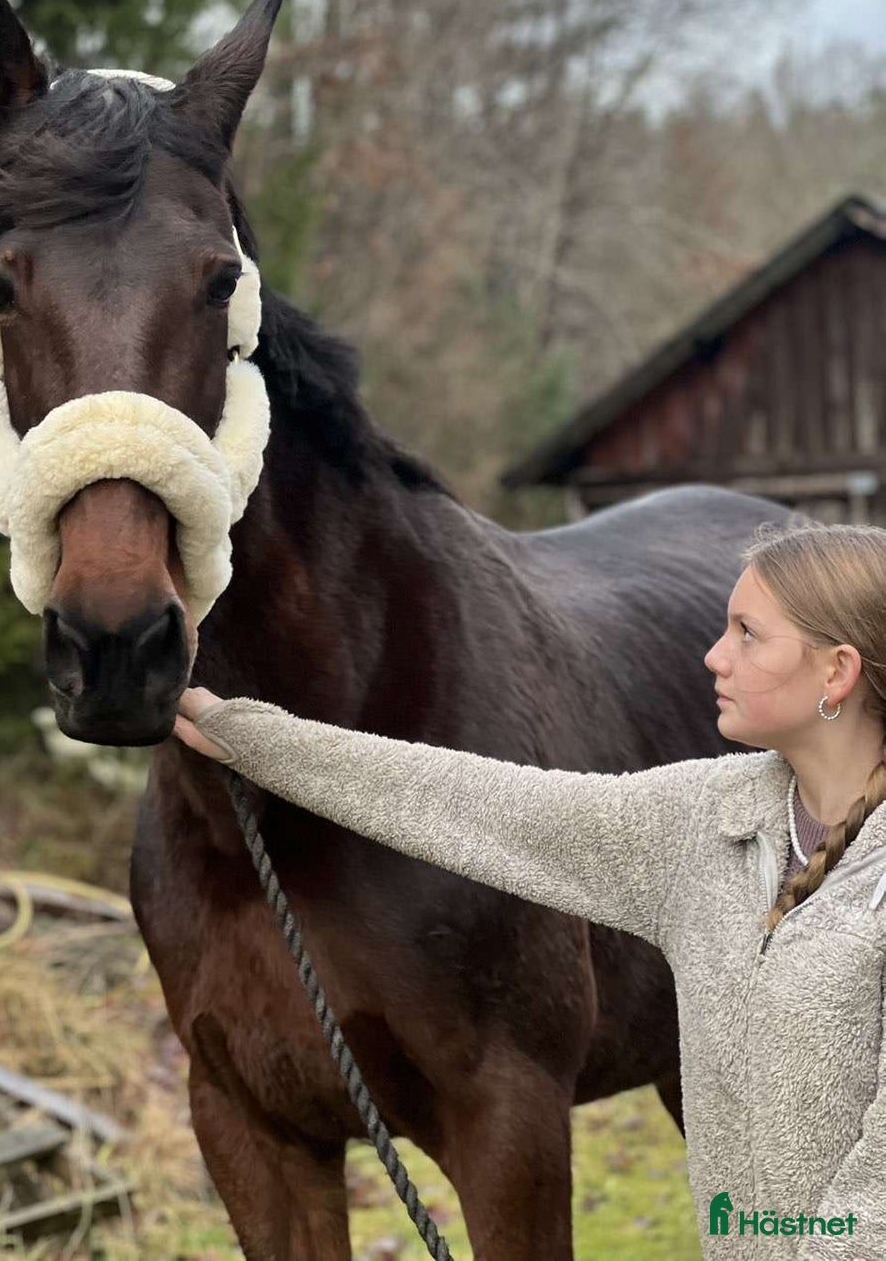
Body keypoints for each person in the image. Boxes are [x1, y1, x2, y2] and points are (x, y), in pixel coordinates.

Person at [172, 521, 886, 1260]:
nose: (713, 655)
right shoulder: (705, 822)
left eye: (747, 634)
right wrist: (254, 739)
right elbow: (475, 803)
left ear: (836, 673)